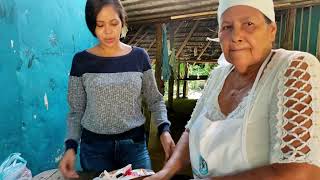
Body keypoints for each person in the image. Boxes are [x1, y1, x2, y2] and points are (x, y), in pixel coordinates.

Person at [145, 0, 320, 179]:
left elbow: (303, 172)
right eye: (227, 26)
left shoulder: (293, 68)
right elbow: (190, 131)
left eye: (249, 24)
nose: (236, 36)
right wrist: (166, 172)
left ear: (271, 31)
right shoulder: (218, 76)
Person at [58, 0, 175, 178]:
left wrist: (164, 131)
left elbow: (155, 100)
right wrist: (71, 147)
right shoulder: (81, 61)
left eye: (114, 23)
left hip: (134, 147)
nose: (108, 31)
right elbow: (76, 111)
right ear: (92, 26)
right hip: (94, 150)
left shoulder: (139, 57)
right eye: (100, 24)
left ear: (122, 22)